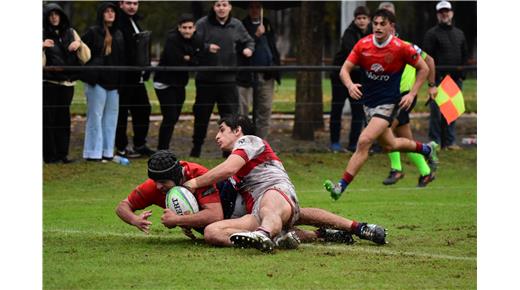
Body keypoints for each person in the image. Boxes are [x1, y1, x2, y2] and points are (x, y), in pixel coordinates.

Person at [183, 115, 387, 252]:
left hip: (276, 191)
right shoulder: (234, 166)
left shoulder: (250, 141)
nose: (217, 136)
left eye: (222, 130)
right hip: (258, 212)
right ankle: (303, 235)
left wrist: (192, 183)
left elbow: (227, 169)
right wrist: (190, 218)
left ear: (238, 131)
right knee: (212, 233)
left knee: (270, 206)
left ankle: (361, 228)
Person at [116, 148, 387, 249]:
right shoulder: (156, 185)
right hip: (239, 212)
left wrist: (177, 220)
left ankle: (355, 227)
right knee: (287, 221)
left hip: (235, 207)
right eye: (156, 182)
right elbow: (122, 206)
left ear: (178, 174)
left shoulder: (198, 175)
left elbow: (214, 216)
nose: (159, 188)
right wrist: (135, 219)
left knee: (284, 215)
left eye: (163, 182)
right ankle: (325, 234)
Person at [323, 9, 439, 200]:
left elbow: (424, 67)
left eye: (382, 24)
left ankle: (340, 186)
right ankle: (427, 149)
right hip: (368, 103)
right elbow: (344, 69)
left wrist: (412, 93)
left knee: (364, 141)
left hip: (389, 104)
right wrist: (350, 84)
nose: (377, 27)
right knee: (390, 144)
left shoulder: (401, 47)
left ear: (391, 26)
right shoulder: (363, 44)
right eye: (375, 23)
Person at [190, 0, 255, 157]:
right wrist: (206, 47)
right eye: (218, 5)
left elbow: (249, 40)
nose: (221, 8)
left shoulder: (236, 24)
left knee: (229, 117)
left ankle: (228, 151)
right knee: (201, 115)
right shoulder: (203, 23)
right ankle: (196, 148)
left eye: (224, 5)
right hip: (206, 79)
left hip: (228, 79)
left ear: (230, 7)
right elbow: (192, 42)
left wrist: (248, 49)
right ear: (214, 7)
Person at [43, 3, 90, 164]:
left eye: (57, 14)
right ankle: (50, 156)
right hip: (49, 83)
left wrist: (80, 44)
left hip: (68, 83)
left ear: (61, 16)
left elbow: (86, 57)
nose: (54, 17)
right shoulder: (42, 33)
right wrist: (41, 47)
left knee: (63, 119)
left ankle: (63, 154)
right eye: (51, 15)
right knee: (48, 120)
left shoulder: (71, 32)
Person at [81, 2, 125, 162]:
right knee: (95, 117)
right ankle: (93, 153)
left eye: (112, 11)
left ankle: (107, 152)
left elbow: (121, 59)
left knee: (111, 118)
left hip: (114, 83)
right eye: (106, 11)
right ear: (101, 14)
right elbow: (82, 53)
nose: (110, 14)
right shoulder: (93, 32)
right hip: (97, 81)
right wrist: (92, 72)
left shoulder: (119, 33)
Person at [423, 1, 468, 150]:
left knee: (452, 111)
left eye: (447, 11)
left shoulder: (459, 34)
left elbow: (464, 55)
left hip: (455, 80)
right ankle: (435, 142)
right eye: (441, 11)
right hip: (438, 79)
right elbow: (427, 58)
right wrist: (431, 82)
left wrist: (462, 75)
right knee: (436, 114)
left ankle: (450, 142)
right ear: (437, 15)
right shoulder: (431, 34)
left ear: (452, 13)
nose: (444, 14)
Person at [153, 14, 202, 151]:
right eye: (184, 27)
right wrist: (188, 58)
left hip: (180, 84)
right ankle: (162, 149)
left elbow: (198, 60)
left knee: (173, 117)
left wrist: (188, 58)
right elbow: (175, 60)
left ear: (194, 28)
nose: (187, 30)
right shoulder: (172, 39)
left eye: (190, 27)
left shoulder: (196, 39)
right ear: (179, 28)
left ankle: (164, 148)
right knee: (170, 116)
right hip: (164, 82)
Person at [115, 0, 155, 158]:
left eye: (135, 3)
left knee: (143, 109)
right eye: (128, 3)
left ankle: (139, 144)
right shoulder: (118, 23)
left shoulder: (135, 21)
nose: (132, 6)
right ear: (121, 4)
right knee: (122, 113)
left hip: (137, 77)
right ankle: (122, 147)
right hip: (124, 77)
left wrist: (145, 67)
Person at [236, 1, 281, 140]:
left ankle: (261, 144)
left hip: (267, 75)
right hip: (247, 75)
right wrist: (255, 35)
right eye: (252, 7)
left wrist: (274, 66)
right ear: (248, 9)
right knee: (243, 112)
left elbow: (272, 48)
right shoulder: (241, 25)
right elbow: (241, 48)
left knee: (265, 110)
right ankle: (244, 144)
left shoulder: (266, 23)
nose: (255, 10)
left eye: (258, 7)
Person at [329, 6, 370, 153]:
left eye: (364, 18)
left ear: (368, 19)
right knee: (337, 109)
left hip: (358, 79)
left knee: (358, 111)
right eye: (359, 18)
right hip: (341, 77)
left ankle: (353, 144)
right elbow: (353, 52)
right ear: (355, 19)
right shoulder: (349, 33)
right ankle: (334, 142)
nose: (361, 21)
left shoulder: (371, 34)